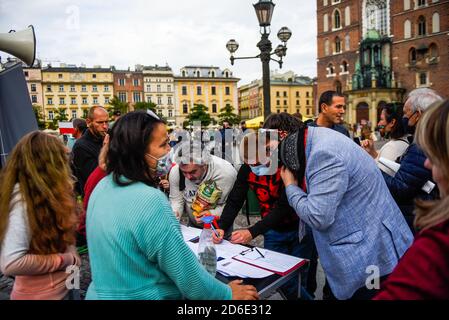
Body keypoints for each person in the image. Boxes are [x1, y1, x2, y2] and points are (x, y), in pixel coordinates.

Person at [85, 111, 258, 300]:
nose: (170, 151)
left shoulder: (103, 186)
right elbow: (184, 271)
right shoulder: (148, 199)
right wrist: (225, 294)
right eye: (164, 144)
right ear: (139, 151)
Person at [279, 124, 413, 300]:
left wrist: (290, 186)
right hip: (373, 243)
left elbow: (318, 217)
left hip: (369, 256)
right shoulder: (318, 138)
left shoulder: (323, 155)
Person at [213, 116, 312, 300]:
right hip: (273, 231)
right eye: (250, 165)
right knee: (283, 283)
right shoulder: (247, 169)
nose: (255, 169)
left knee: (299, 281)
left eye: (259, 164)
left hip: (300, 229)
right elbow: (235, 200)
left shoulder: (287, 166)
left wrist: (252, 231)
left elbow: (284, 206)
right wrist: (222, 225)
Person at [374, 100, 449, 300]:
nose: (427, 162)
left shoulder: (436, 242)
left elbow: (401, 187)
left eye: (436, 154)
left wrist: (371, 168)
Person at [0, 131, 81, 300]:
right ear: (47, 163)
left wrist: (73, 280)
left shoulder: (50, 193)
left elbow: (68, 245)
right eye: (60, 155)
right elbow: (11, 263)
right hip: (42, 295)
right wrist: (66, 260)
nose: (66, 155)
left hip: (66, 287)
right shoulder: (22, 200)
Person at [382, 88, 443, 231]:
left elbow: (401, 188)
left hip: (419, 220)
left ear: (418, 115)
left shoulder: (423, 145)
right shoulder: (436, 138)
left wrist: (372, 169)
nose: (403, 117)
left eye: (405, 113)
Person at [169, 140, 237, 227]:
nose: (188, 177)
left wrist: (211, 213)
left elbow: (233, 206)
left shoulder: (226, 173)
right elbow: (176, 200)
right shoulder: (176, 172)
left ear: (204, 164)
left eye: (193, 172)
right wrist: (175, 214)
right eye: (184, 172)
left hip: (220, 227)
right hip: (192, 226)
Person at [361, 103, 410, 176]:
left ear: (392, 122)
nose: (378, 124)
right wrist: (372, 152)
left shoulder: (392, 147)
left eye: (381, 119)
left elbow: (378, 177)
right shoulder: (404, 141)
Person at [71, 106, 109, 196]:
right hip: (95, 196)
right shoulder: (80, 146)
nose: (105, 126)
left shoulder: (109, 136)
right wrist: (105, 150)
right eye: (99, 122)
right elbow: (94, 178)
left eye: (107, 122)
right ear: (88, 122)